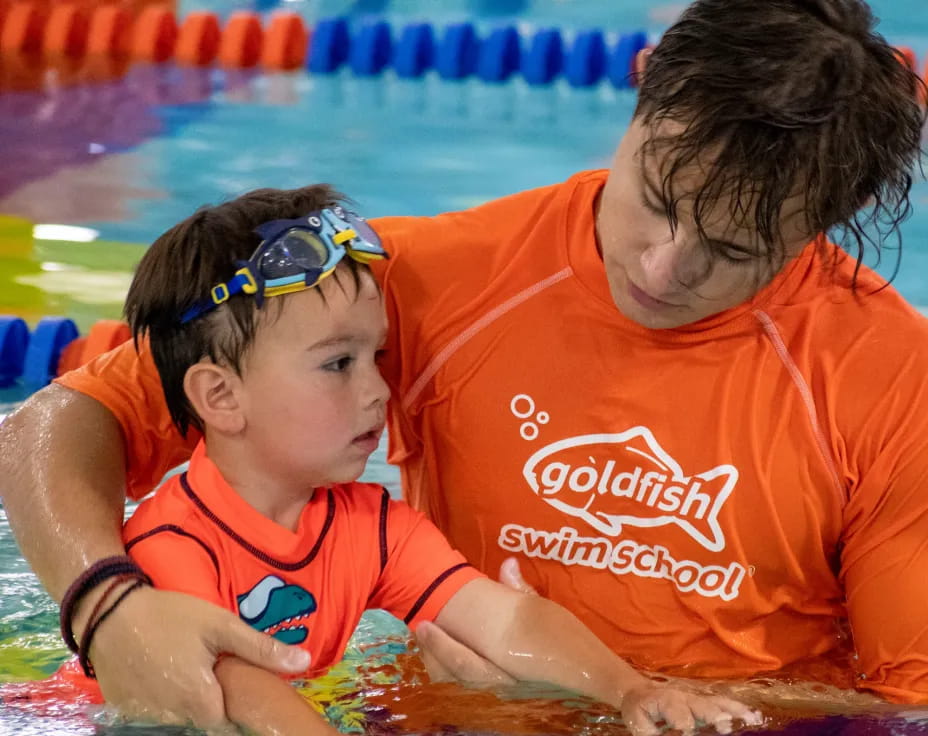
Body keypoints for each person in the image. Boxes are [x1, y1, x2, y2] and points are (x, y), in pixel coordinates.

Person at [1, 0, 926, 726]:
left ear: (818, 224)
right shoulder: (426, 282)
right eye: (656, 198)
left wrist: (608, 694)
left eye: (733, 249)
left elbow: (905, 709)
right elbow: (60, 423)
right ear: (644, 88)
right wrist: (107, 606)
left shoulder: (892, 382)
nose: (662, 267)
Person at [39, 185, 763, 735]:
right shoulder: (171, 547)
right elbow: (239, 690)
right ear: (221, 397)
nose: (379, 389)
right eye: (337, 365)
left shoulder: (372, 527)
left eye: (377, 356)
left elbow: (503, 621)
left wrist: (631, 690)